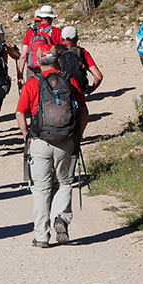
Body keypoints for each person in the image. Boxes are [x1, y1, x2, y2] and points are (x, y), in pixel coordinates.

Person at [15, 48, 89, 247]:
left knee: (41, 189)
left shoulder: (33, 83)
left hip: (40, 141)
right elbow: (84, 112)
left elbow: (20, 113)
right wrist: (78, 136)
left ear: (39, 63)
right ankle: (61, 218)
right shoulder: (69, 81)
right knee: (64, 183)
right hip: (66, 140)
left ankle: (41, 236)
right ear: (57, 62)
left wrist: (26, 135)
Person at [18, 5, 62, 85]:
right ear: (51, 18)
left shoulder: (31, 31)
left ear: (40, 18)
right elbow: (61, 53)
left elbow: (23, 55)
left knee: (32, 94)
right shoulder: (57, 32)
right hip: (50, 69)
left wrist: (20, 74)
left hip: (33, 68)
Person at [58, 26, 103, 95]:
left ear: (61, 38)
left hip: (62, 91)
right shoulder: (83, 52)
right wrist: (90, 90)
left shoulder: (56, 51)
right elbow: (98, 77)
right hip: (80, 91)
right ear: (77, 39)